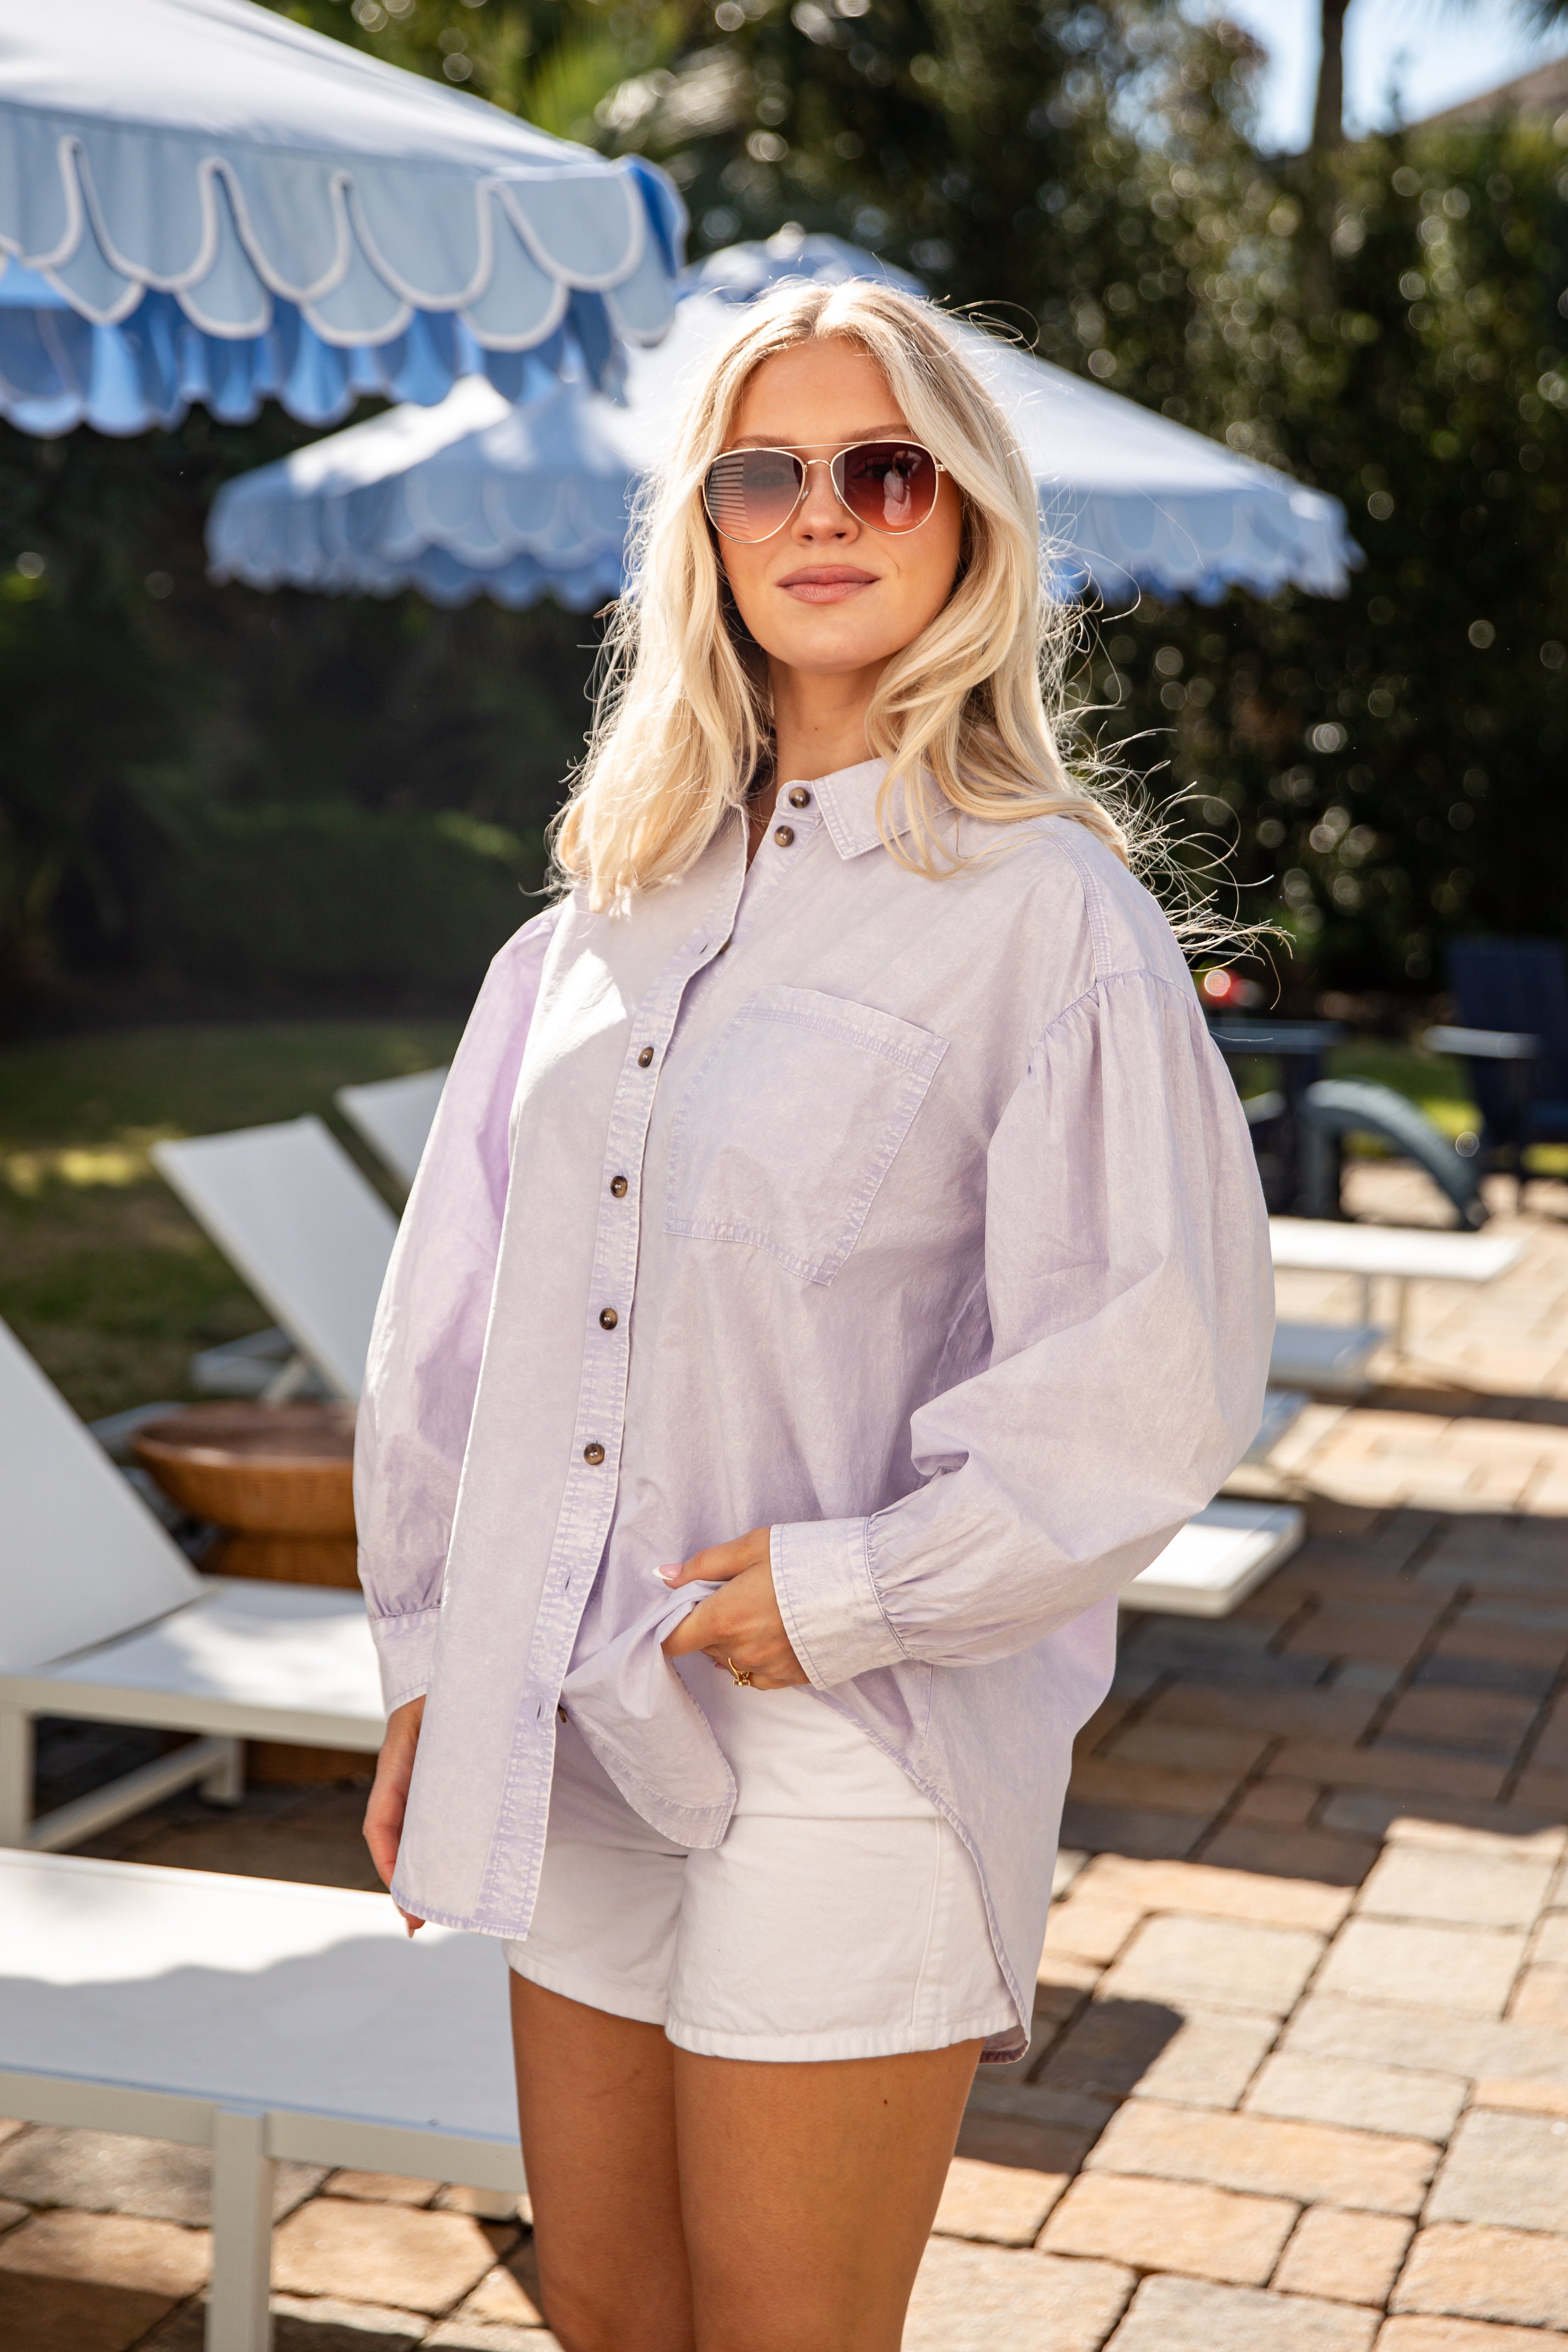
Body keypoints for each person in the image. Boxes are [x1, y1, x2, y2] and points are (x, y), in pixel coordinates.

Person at [357, 279, 1271, 2352]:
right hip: (569, 1713)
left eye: (885, 468)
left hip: (849, 1731)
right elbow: (454, 1324)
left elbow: (1146, 1374)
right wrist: (432, 1664)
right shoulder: (601, 908)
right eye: (762, 472)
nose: (822, 513)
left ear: (968, 516)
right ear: (702, 525)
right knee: (606, 2309)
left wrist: (852, 1592)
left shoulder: (1047, 917)